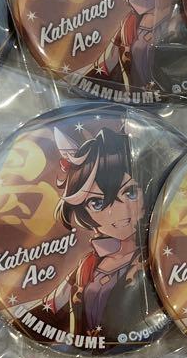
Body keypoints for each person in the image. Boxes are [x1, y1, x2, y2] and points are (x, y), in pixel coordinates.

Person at [30, 124, 158, 341]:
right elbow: (47, 311)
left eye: (129, 193)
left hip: (134, 342)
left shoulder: (153, 262)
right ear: (82, 210)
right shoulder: (88, 265)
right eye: (97, 203)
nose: (116, 212)